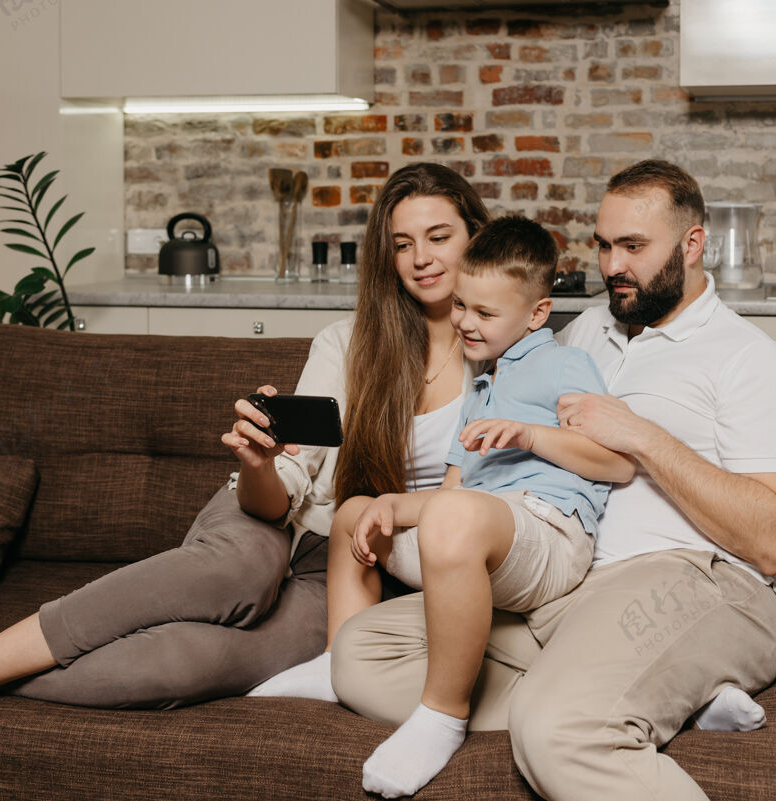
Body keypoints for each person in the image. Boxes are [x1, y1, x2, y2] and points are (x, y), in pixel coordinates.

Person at [0, 161, 492, 773]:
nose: (421, 258)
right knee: (238, 572)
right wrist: (258, 460)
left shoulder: (505, 359)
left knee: (171, 666)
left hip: (348, 578)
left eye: (439, 237)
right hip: (271, 520)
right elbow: (283, 491)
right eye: (402, 243)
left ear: (475, 238)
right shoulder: (349, 341)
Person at [330, 159, 776, 801]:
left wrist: (639, 434)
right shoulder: (586, 332)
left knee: (555, 730)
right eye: (605, 245)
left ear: (693, 245)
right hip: (569, 587)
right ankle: (669, 700)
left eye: (634, 247)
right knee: (359, 655)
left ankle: (591, 704)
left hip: (698, 580)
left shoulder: (749, 358)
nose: (613, 266)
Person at [257, 216, 635, 798]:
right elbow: (453, 493)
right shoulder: (480, 385)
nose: (463, 322)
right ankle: (338, 664)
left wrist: (531, 436)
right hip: (475, 536)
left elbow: (618, 463)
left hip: (549, 534)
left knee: (455, 517)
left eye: (485, 314)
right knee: (356, 509)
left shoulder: (564, 366)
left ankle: (442, 715)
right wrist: (390, 506)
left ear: (537, 314)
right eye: (460, 306)